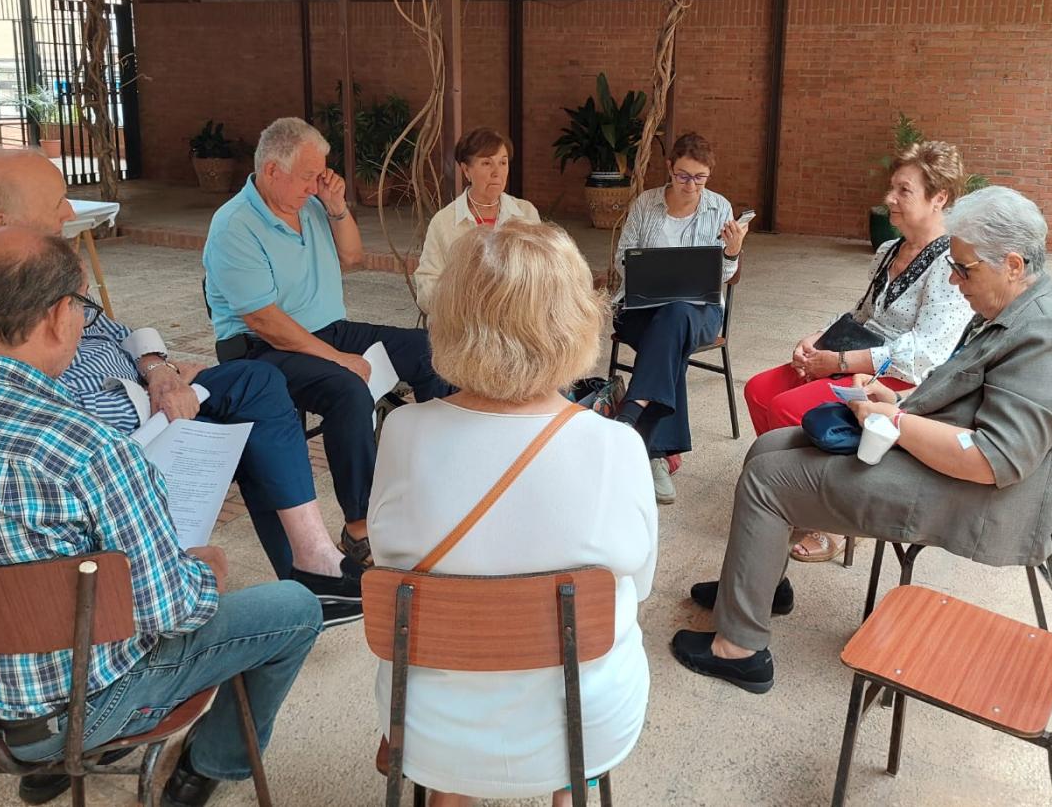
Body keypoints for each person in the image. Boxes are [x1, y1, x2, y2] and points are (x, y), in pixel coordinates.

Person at [0, 228, 321, 807]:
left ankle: (56, 763)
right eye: (82, 306)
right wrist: (206, 571)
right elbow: (173, 612)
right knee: (294, 608)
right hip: (85, 708)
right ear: (57, 317)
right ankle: (208, 763)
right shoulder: (88, 449)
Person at [672, 187, 1052, 694]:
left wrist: (894, 421)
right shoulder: (1023, 308)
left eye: (963, 269)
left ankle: (739, 649)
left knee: (771, 480)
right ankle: (759, 585)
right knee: (771, 447)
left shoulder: (1049, 337)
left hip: (978, 498)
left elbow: (993, 459)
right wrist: (898, 401)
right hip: (949, 466)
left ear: (1011, 264)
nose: (953, 278)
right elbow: (971, 399)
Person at [0, 147, 362, 628]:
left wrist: (159, 371)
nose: (69, 213)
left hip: (149, 397)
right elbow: (36, 430)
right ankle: (306, 579)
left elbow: (114, 329)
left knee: (256, 382)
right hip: (124, 442)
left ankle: (312, 561)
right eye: (57, 202)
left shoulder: (35, 268)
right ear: (2, 223)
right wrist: (154, 402)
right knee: (255, 424)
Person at [369, 222, 656, 806]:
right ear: (575, 319)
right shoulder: (616, 445)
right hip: (581, 724)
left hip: (431, 724)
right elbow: (641, 583)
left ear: (452, 317)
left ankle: (453, 788)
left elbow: (389, 556)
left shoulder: (403, 431)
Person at [203, 117, 451, 570]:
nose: (316, 184)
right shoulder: (234, 225)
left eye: (321, 174)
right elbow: (264, 321)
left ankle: (442, 477)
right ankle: (359, 526)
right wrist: (339, 359)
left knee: (431, 350)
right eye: (308, 175)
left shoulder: (310, 205)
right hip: (261, 349)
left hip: (328, 330)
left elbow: (353, 258)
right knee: (347, 389)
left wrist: (335, 207)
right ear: (272, 170)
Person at [742, 141, 974, 562]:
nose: (890, 198)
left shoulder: (948, 265)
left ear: (939, 198)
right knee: (759, 390)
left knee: (788, 408)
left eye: (904, 190)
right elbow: (862, 314)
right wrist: (817, 339)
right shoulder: (889, 251)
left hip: (897, 378)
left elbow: (926, 353)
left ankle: (831, 514)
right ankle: (791, 489)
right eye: (892, 187)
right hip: (855, 357)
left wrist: (840, 362)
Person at [612, 132, 749, 505]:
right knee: (670, 336)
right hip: (642, 309)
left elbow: (723, 275)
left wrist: (732, 252)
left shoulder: (719, 207)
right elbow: (622, 258)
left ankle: (635, 417)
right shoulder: (646, 203)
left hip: (699, 312)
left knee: (675, 318)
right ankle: (652, 449)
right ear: (669, 168)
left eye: (700, 178)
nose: (690, 186)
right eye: (683, 176)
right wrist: (647, 272)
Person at [413, 126, 540, 313]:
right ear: (466, 170)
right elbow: (427, 288)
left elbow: (541, 275)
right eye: (487, 163)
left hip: (516, 320)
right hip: (462, 322)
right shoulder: (444, 222)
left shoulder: (526, 214)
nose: (497, 172)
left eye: (503, 162)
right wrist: (466, 304)